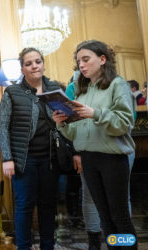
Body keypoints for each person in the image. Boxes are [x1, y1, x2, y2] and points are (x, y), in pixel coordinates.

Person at [53, 40, 137, 250]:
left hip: (112, 158)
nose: (81, 65)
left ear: (102, 59)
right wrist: (62, 124)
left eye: (86, 59)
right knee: (104, 217)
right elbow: (76, 132)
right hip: (89, 159)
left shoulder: (117, 84)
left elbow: (124, 124)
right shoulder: (81, 90)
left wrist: (96, 113)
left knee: (120, 217)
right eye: (78, 61)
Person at [0, 47, 63, 250]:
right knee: (24, 206)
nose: (34, 66)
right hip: (23, 160)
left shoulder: (55, 88)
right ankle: (24, 247)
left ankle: (48, 246)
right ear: (22, 68)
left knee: (48, 206)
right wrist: (7, 158)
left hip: (51, 159)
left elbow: (69, 122)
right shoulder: (12, 92)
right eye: (28, 63)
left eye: (37, 61)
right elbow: (3, 126)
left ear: (43, 64)